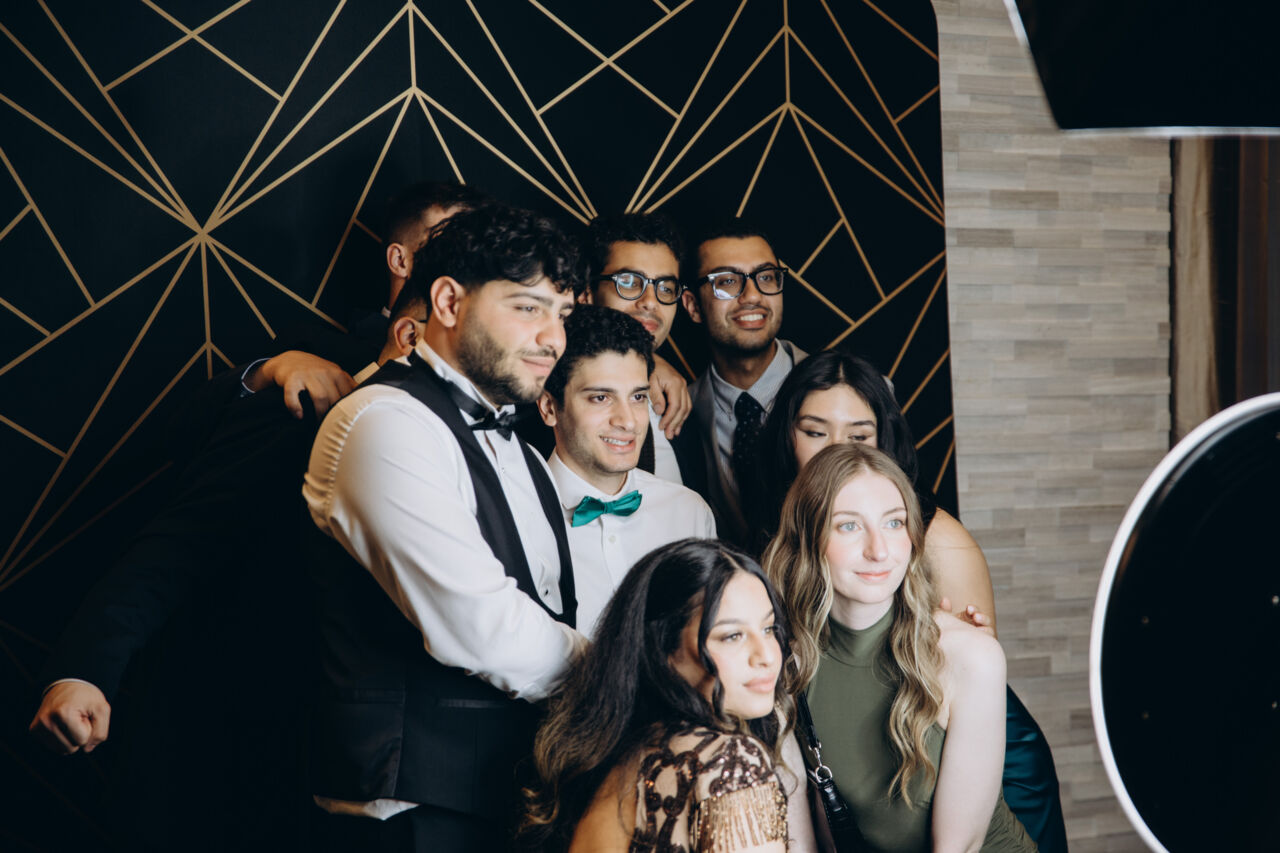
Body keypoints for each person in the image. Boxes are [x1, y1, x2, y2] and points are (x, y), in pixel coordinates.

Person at [26, 292, 431, 850]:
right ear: (413, 331)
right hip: (230, 748)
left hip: (373, 779)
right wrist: (84, 672)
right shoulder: (306, 402)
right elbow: (180, 543)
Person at [302, 203, 586, 851]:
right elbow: (481, 627)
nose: (553, 338)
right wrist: (624, 679)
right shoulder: (383, 422)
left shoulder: (525, 454)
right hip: (406, 813)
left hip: (514, 802)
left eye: (563, 314)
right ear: (449, 302)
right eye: (528, 307)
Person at [753, 350, 1067, 852]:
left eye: (895, 523)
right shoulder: (784, 655)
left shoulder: (966, 649)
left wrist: (963, 649)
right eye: (848, 526)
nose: (879, 550)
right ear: (810, 537)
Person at [521, 538, 795, 852]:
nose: (767, 656)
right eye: (732, 636)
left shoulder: (619, 759)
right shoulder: (729, 762)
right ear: (664, 650)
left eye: (769, 629)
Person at [241, 180, 492, 418]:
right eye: (450, 247)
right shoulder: (312, 347)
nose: (469, 265)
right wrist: (264, 373)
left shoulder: (494, 364)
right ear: (399, 260)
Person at [536, 303, 716, 636]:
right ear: (549, 407)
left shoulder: (689, 513)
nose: (628, 421)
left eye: (637, 397)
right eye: (601, 398)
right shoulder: (520, 520)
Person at [681, 219, 805, 545]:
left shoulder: (853, 394)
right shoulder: (677, 414)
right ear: (693, 306)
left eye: (766, 277)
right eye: (727, 281)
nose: (752, 295)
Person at [582, 212, 702, 490]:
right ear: (587, 294)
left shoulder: (679, 408)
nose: (650, 301)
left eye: (665, 287)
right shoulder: (544, 400)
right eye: (628, 282)